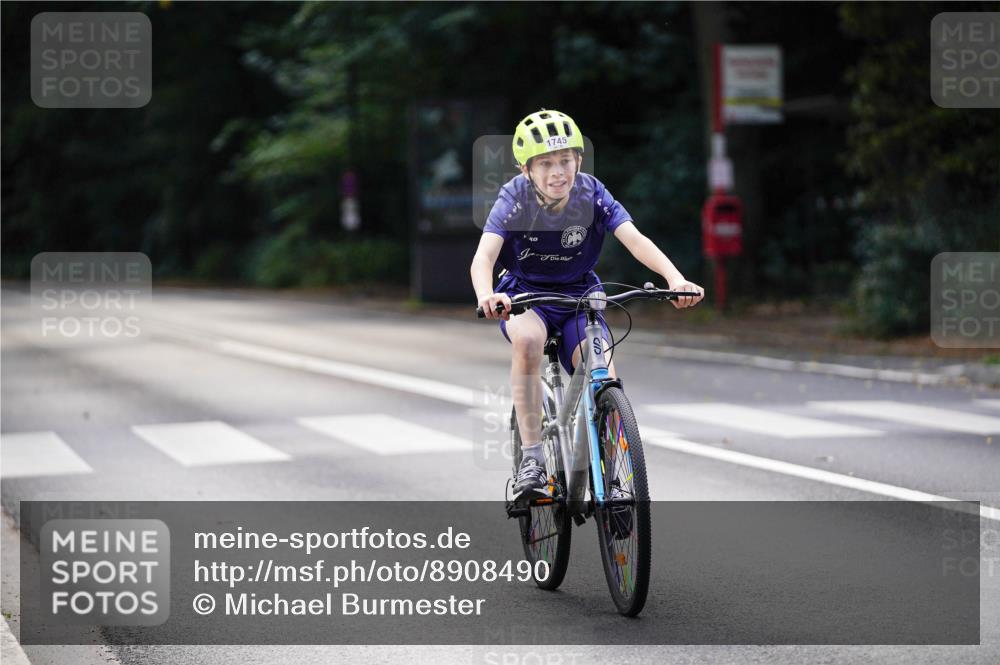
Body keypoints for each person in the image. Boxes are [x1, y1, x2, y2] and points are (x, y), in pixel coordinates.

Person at [470, 109, 705, 498]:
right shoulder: (514, 197)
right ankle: (532, 460)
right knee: (527, 342)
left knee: (604, 376)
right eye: (545, 163)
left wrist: (675, 279)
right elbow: (484, 257)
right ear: (527, 170)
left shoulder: (592, 193)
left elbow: (634, 239)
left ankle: (611, 477)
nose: (558, 171)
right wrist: (486, 296)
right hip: (525, 295)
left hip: (580, 296)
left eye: (565, 160)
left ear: (578, 160)